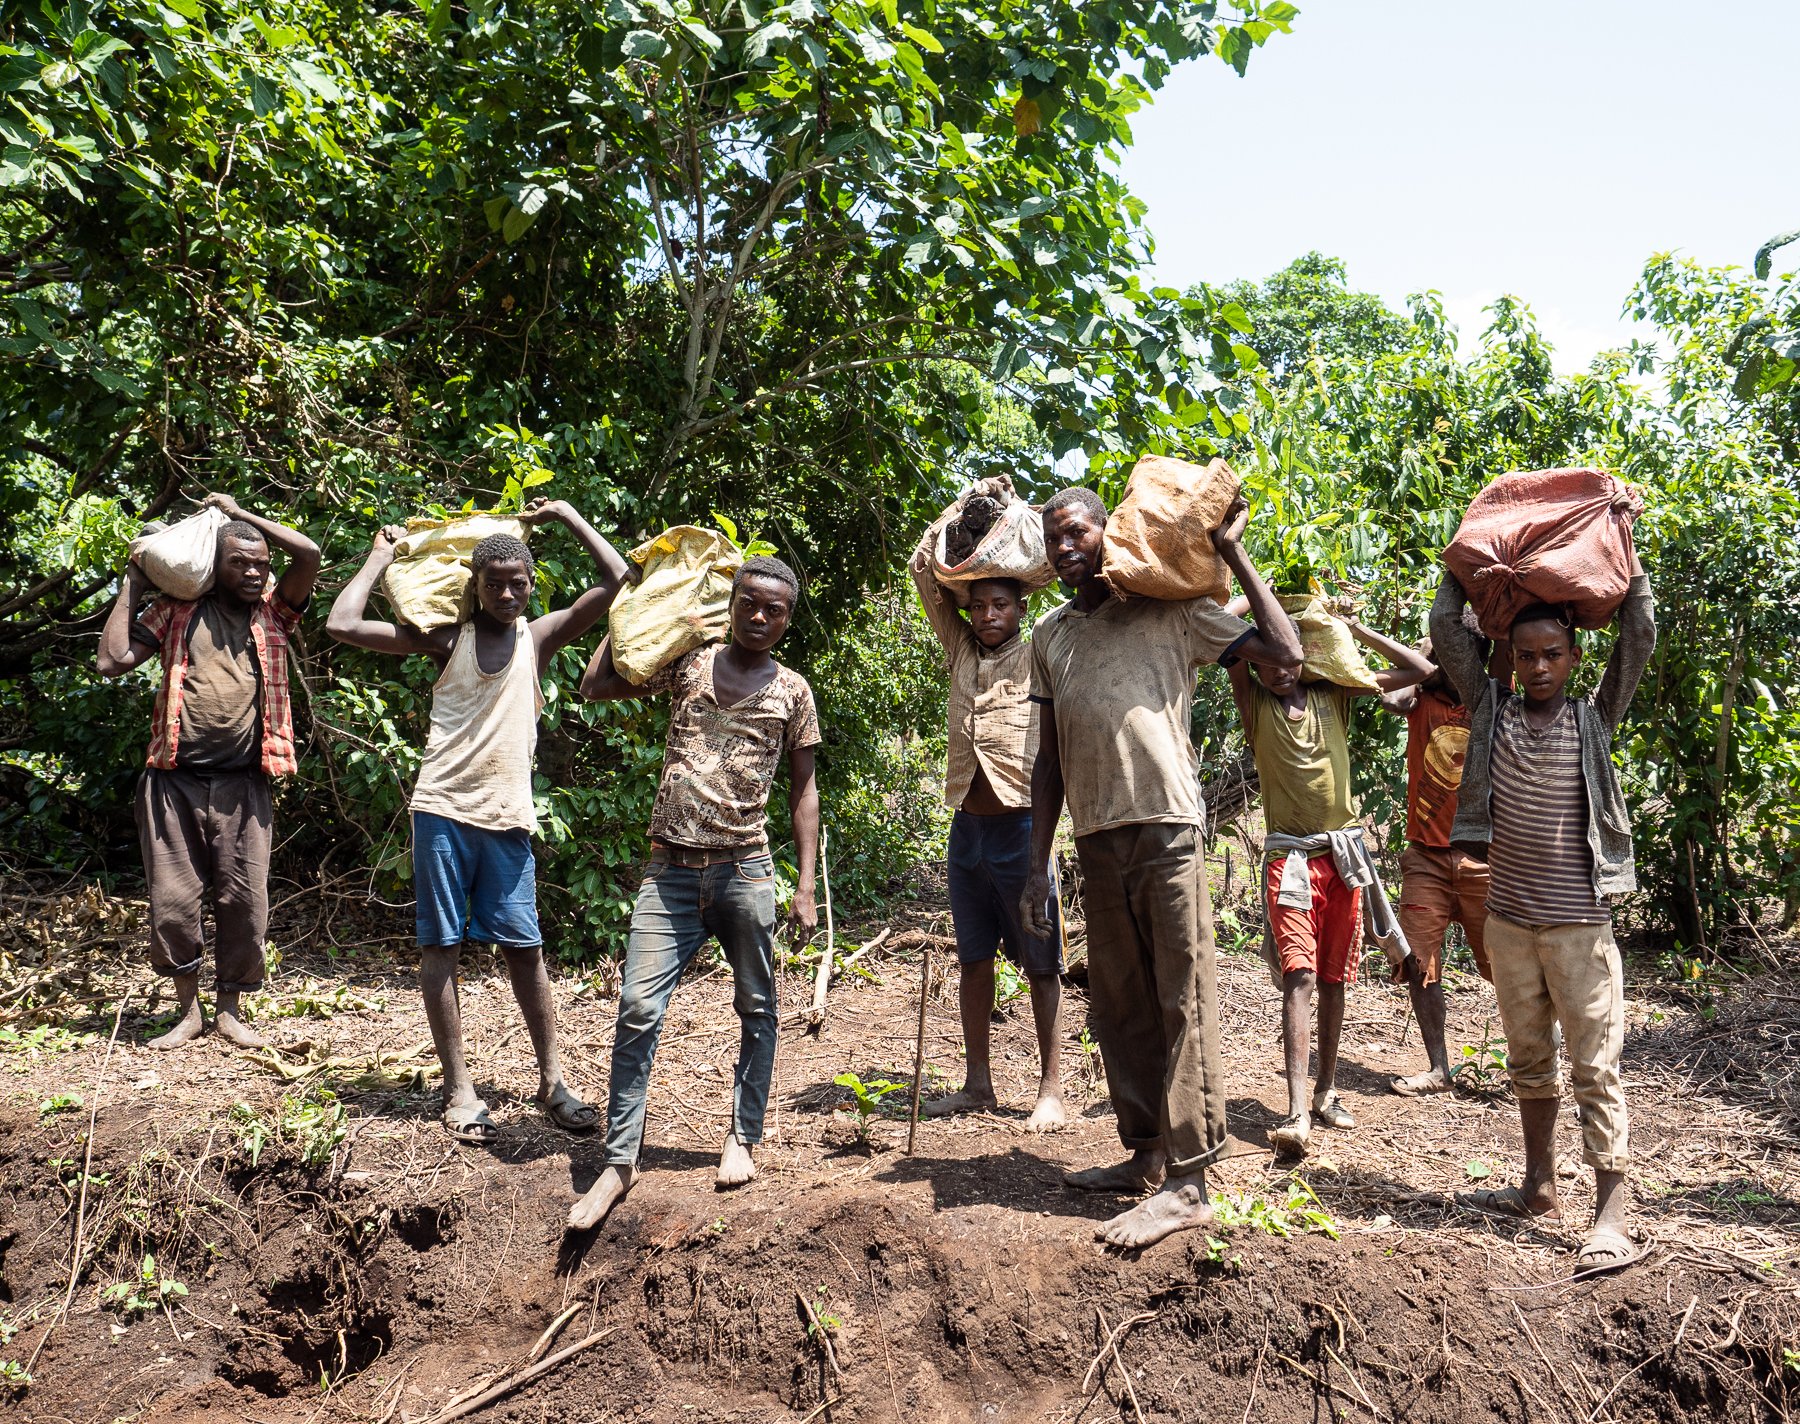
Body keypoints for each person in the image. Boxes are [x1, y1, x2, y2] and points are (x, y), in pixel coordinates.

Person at [1019, 487, 1303, 1249]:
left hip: (1169, 827)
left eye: (1077, 531)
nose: (1065, 547)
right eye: (1053, 539)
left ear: (1108, 535)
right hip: (1095, 836)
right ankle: (1146, 1157)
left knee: (1184, 997)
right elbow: (1048, 761)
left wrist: (1236, 553)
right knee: (1120, 1003)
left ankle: (1191, 1184)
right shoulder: (1049, 636)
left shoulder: (1171, 610)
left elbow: (1286, 653)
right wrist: (1037, 858)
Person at [326, 500, 628, 1144]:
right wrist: (381, 556)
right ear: (476, 586)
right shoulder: (447, 639)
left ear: (531, 581)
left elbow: (614, 577)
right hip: (441, 809)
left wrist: (569, 515)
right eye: (495, 584)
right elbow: (342, 622)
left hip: (508, 817)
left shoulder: (538, 638)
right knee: (440, 947)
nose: (509, 593)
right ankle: (459, 1089)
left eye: (519, 582)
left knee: (525, 950)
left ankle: (553, 1083)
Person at [568, 555, 821, 1230]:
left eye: (775, 610)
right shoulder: (689, 664)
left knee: (758, 1007)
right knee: (637, 1008)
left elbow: (803, 789)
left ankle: (741, 1136)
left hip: (745, 869)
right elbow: (595, 684)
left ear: (787, 619)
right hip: (670, 873)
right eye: (751, 604)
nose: (761, 617)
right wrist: (637, 612)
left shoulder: (792, 691)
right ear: (732, 603)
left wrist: (804, 885)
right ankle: (619, 1160)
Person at [1432, 552, 1655, 1275]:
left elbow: (1639, 635)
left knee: (1594, 1067)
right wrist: (1460, 564)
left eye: (1551, 655)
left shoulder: (1594, 719)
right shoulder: (1491, 706)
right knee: (1529, 1061)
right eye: (1524, 656)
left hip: (1578, 926)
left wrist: (1628, 557)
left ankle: (1612, 1213)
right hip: (1509, 920)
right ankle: (1537, 1185)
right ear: (1508, 659)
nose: (1537, 669)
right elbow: (1444, 625)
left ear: (1573, 655)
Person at [97, 494, 321, 1050]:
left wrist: (241, 511)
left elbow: (310, 553)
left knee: (244, 902)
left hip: (245, 782)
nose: (253, 572)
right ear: (213, 567)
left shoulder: (273, 612)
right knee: (173, 902)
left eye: (261, 564)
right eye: (239, 562)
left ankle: (230, 1010)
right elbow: (112, 660)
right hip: (173, 780)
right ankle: (189, 1011)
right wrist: (134, 579)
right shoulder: (178, 612)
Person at [1226, 604, 1431, 1159]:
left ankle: (1325, 1091)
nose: (1280, 668)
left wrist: (1355, 629)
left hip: (1342, 858)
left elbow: (1418, 670)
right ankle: (1295, 1109)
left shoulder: (1333, 695)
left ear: (1307, 653)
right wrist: (1262, 599)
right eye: (1267, 657)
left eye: (1290, 653)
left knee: (1336, 979)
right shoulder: (1255, 702)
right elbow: (1223, 630)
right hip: (1289, 860)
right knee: (1299, 976)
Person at [908, 503, 1065, 1131]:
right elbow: (926, 570)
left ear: (1020, 608)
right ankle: (979, 1083)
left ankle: (1051, 1087)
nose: (987, 616)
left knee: (1041, 957)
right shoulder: (961, 652)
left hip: (1023, 830)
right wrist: (961, 512)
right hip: (966, 830)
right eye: (977, 607)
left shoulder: (1040, 654)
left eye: (999, 605)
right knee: (973, 956)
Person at [1379, 636, 1499, 1097]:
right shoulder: (1421, 699)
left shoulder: (1491, 701)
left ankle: (1533, 1061)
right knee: (1418, 962)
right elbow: (1392, 695)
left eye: (1463, 658)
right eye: (1447, 658)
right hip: (1426, 856)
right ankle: (1438, 1068)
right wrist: (1425, 649)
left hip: (1483, 859)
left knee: (1508, 964)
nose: (1455, 667)